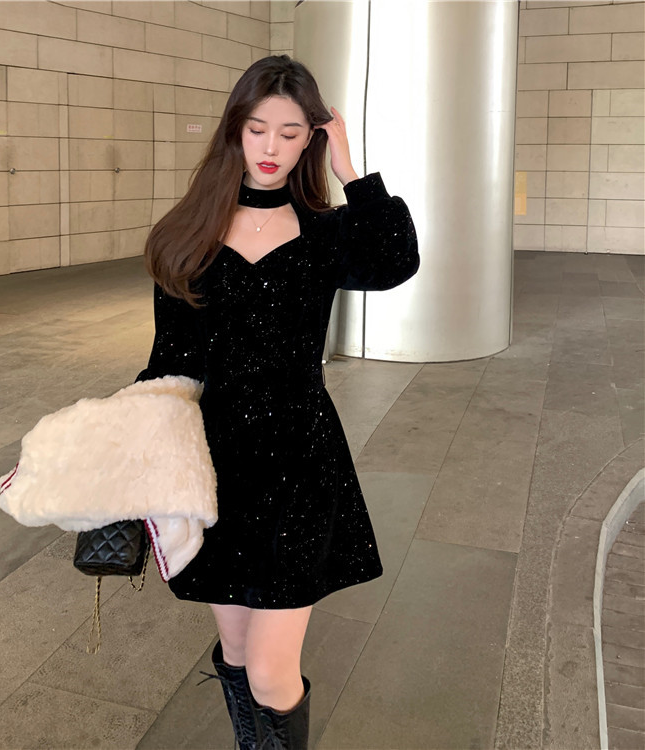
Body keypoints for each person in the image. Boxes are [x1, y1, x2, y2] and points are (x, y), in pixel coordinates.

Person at [137, 55, 419, 750]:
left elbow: (395, 260)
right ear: (234, 130)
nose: (271, 147)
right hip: (217, 467)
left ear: (310, 139)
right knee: (236, 653)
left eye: (291, 133)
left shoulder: (323, 232)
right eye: (258, 129)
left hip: (300, 464)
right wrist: (122, 452)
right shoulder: (187, 235)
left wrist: (353, 173)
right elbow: (170, 363)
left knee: (269, 670)